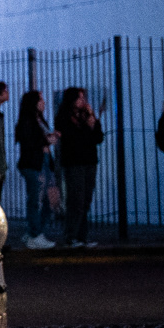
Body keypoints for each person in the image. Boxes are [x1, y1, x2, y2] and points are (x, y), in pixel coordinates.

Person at [54, 86, 104, 248]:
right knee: (76, 199)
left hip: (89, 160)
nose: (83, 101)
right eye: (79, 98)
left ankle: (82, 236)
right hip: (74, 161)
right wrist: (87, 129)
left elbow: (98, 137)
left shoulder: (87, 115)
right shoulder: (64, 116)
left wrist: (93, 123)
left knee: (86, 199)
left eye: (84, 98)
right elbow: (72, 138)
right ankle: (71, 235)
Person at [14, 90, 58, 249]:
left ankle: (34, 231)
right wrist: (47, 140)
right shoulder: (28, 120)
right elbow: (30, 141)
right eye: (41, 99)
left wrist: (48, 139)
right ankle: (35, 234)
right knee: (37, 199)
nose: (44, 102)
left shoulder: (38, 120)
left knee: (49, 198)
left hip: (43, 161)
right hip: (34, 163)